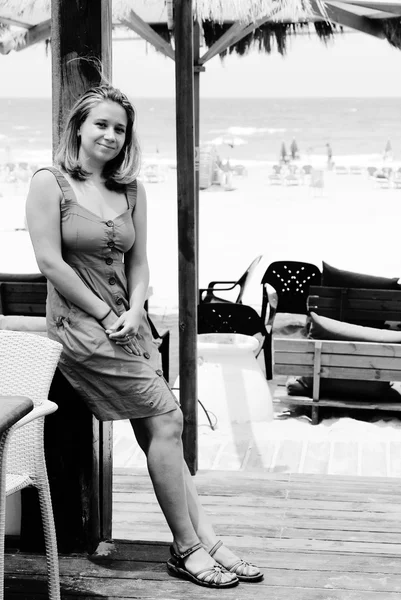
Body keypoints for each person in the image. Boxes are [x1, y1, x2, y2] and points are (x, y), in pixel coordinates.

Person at [25, 84, 263, 589]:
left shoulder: (131, 188)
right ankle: (187, 547)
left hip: (131, 325)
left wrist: (135, 309)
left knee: (163, 433)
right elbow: (49, 261)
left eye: (120, 128)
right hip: (81, 328)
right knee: (170, 419)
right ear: (79, 128)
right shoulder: (50, 182)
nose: (111, 135)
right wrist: (105, 311)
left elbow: (139, 259)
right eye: (102, 125)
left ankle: (209, 540)